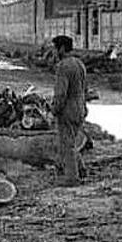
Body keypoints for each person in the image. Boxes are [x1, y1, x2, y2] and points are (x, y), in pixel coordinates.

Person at [51, 35, 87, 187]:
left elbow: (61, 93)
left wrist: (54, 109)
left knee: (67, 144)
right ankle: (81, 169)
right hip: (80, 107)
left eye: (55, 49)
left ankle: (72, 178)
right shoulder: (79, 64)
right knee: (72, 141)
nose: (53, 52)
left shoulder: (63, 66)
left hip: (68, 110)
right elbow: (85, 89)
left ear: (62, 48)